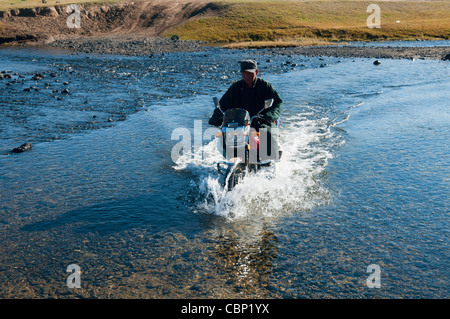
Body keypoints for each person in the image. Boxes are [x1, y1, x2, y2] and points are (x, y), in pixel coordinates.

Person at [209, 59, 282, 160]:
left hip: (260, 120)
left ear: (256, 72)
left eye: (250, 73)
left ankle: (270, 160)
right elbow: (223, 105)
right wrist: (216, 117)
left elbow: (277, 104)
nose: (247, 76)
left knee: (268, 133)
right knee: (225, 135)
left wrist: (268, 116)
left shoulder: (265, 86)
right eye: (244, 73)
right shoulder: (235, 87)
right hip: (240, 122)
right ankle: (230, 158)